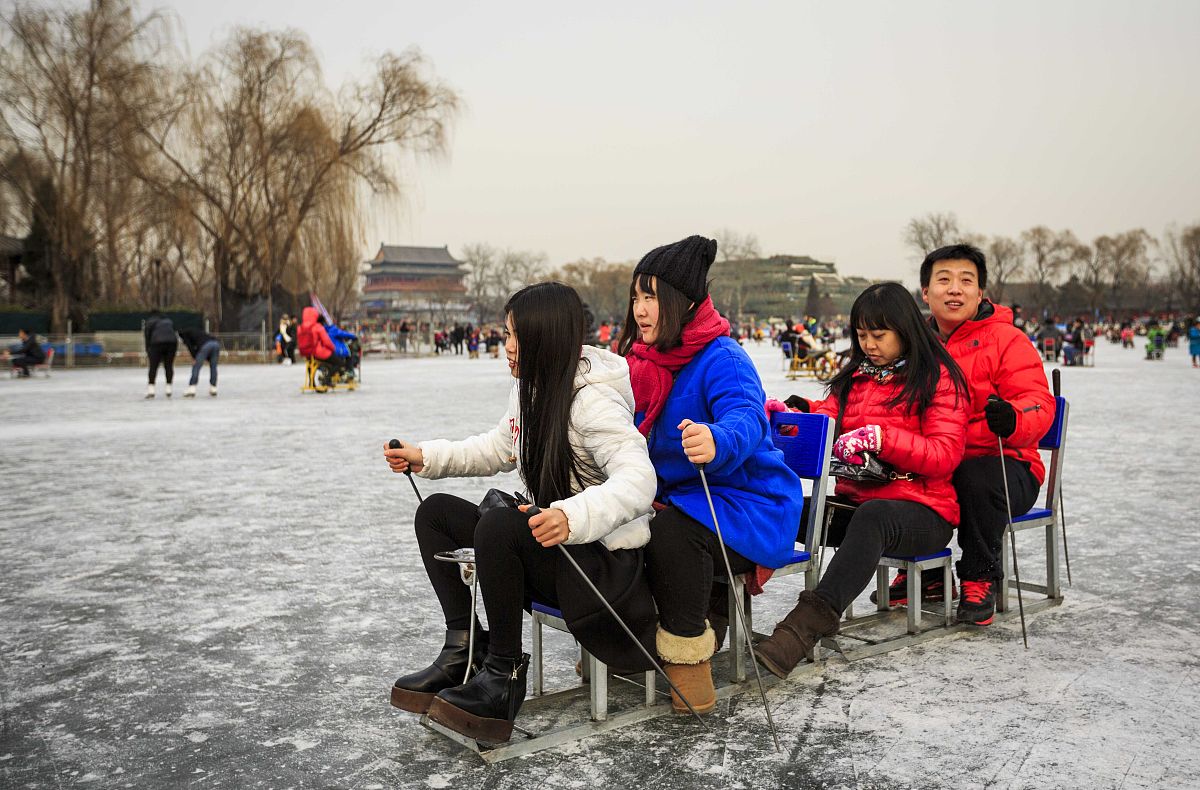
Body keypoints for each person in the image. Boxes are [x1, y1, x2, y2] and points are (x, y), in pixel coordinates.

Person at [383, 282, 657, 744]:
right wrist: (423, 456)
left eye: (515, 336)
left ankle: (503, 674)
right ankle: (464, 649)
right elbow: (497, 447)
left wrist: (572, 515)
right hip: (555, 548)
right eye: (505, 334)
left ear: (545, 339)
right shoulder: (529, 389)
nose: (505, 346)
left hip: (600, 566)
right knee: (436, 515)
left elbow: (638, 480)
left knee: (501, 524)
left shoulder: (594, 401)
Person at [616, 235, 802, 714]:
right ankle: (626, 642)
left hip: (747, 502)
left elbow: (747, 415)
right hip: (684, 495)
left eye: (651, 296)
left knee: (669, 533)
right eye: (636, 296)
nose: (640, 309)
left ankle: (687, 660)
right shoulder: (640, 360)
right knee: (618, 520)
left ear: (683, 301)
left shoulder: (723, 357)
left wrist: (717, 439)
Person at [754, 282, 970, 677]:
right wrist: (798, 413)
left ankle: (804, 627)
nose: (869, 344)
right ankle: (718, 614)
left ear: (905, 330)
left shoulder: (939, 380)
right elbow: (830, 417)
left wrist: (884, 439)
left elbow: (944, 455)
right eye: (862, 335)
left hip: (924, 512)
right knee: (777, 508)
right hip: (857, 503)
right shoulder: (855, 378)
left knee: (874, 516)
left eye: (879, 335)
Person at [902, 244, 1055, 626]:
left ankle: (979, 576)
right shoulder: (917, 346)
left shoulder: (1007, 340)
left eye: (965, 281)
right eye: (944, 280)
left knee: (974, 475)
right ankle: (932, 575)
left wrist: (1014, 418)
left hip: (1006, 468)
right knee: (904, 469)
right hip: (943, 464)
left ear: (980, 292)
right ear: (925, 292)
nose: (955, 289)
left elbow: (1038, 402)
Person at [144, 309, 178, 398]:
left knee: (153, 366)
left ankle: (151, 390)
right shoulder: (168, 321)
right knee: (169, 366)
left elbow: (147, 337)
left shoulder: (150, 322)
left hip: (156, 343)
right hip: (172, 343)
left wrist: (148, 350)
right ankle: (168, 388)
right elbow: (174, 333)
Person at [179, 327, 220, 397]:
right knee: (213, 366)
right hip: (216, 344)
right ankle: (213, 388)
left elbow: (190, 347)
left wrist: (195, 358)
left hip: (206, 346)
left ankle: (192, 387)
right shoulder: (198, 331)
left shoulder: (185, 335)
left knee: (196, 366)